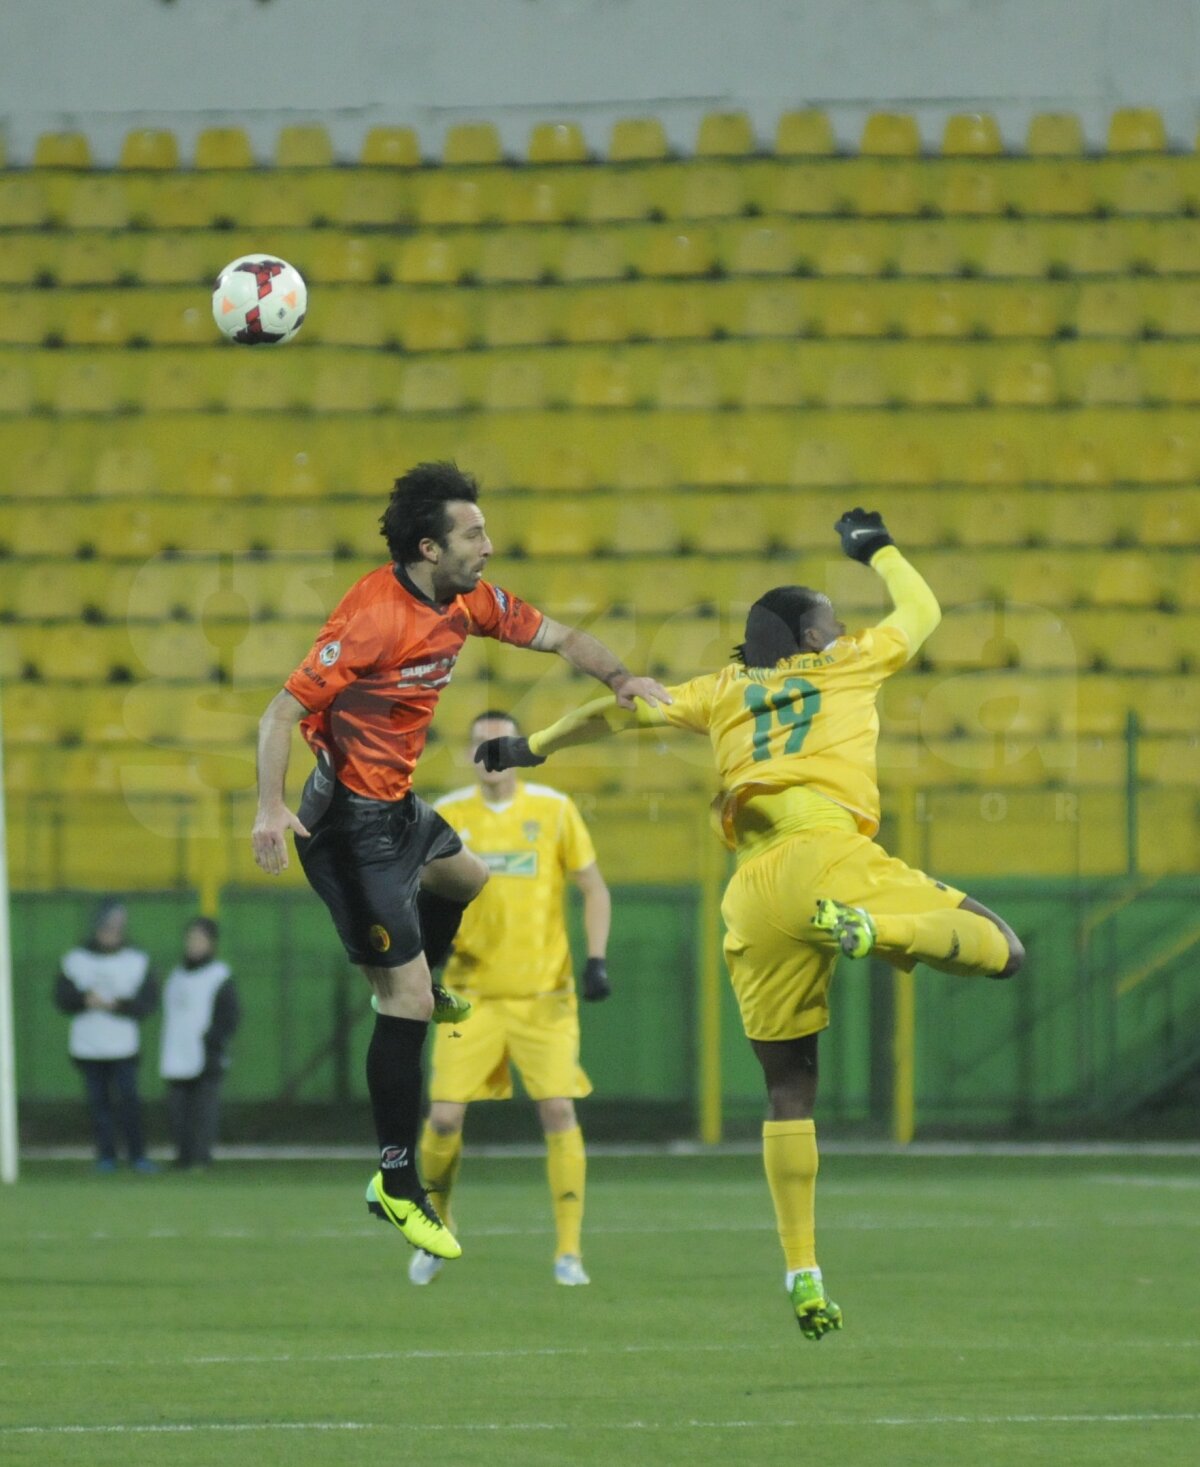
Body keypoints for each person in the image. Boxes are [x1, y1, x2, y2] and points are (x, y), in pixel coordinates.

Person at [474, 507, 1025, 1338]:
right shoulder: (843, 662)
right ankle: (882, 935)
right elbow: (924, 614)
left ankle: (803, 1272)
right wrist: (875, 549)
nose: (843, 627)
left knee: (787, 1088)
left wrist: (530, 748)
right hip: (829, 856)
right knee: (1005, 950)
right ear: (811, 632)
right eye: (830, 619)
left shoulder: (720, 692)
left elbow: (618, 710)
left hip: (753, 889)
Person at [250, 461, 668, 1264]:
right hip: (346, 824)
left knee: (467, 878)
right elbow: (281, 709)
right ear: (428, 545)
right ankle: (395, 1180)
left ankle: (423, 979)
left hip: (399, 807)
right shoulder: (371, 616)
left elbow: (562, 636)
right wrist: (271, 808)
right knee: (402, 1005)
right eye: (474, 533)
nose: (489, 543)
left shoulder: (470, 598)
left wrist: (620, 676)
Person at [408, 709, 612, 1289]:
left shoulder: (553, 810)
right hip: (468, 997)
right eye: (478, 744)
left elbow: (593, 887)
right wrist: (428, 946)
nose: (488, 753)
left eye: (498, 743)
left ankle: (568, 1252)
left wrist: (597, 958)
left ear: (518, 750)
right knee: (444, 1117)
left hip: (543, 995)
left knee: (558, 1109)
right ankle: (438, 1229)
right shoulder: (444, 815)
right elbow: (414, 893)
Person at [54, 900, 159, 1175]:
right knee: (99, 1106)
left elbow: (147, 1003)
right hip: (88, 1048)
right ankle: (106, 1156)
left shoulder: (137, 960)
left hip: (124, 1048)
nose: (112, 933)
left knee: (129, 1103)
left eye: (117, 928)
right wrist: (84, 1000)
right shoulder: (75, 959)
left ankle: (138, 1156)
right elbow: (61, 998)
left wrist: (118, 1006)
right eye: (107, 928)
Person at [159, 917, 241, 1170]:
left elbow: (230, 1016)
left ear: (211, 943)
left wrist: (211, 1040)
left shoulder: (220, 976)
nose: (194, 944)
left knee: (203, 1111)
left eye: (200, 939)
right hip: (177, 1053)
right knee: (178, 1111)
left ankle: (201, 1157)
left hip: (206, 1056)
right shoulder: (176, 976)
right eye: (191, 939)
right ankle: (183, 1157)